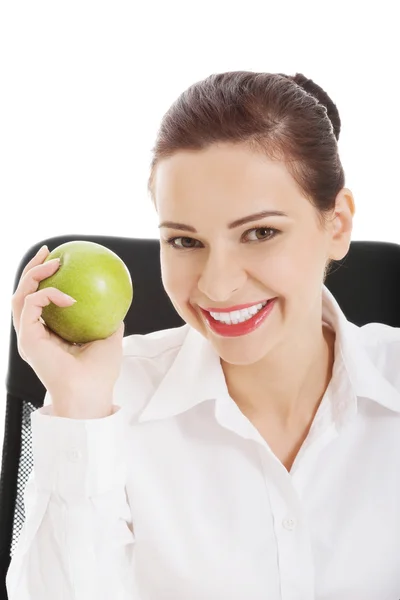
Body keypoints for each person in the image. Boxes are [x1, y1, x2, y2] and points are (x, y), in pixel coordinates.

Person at [6, 71, 400, 600]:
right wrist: (78, 405)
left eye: (260, 233)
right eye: (186, 241)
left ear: (337, 225)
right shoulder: (110, 405)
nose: (217, 286)